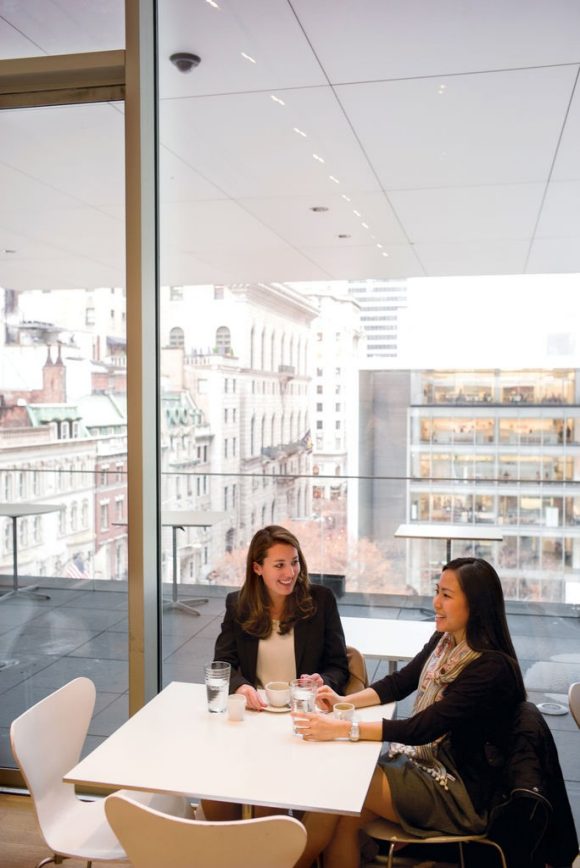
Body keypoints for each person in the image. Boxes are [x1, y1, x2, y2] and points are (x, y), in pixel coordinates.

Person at [292, 557, 526, 868]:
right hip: (425, 763)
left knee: (339, 785)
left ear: (476, 606)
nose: (436, 602)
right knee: (341, 815)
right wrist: (339, 703)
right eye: (437, 591)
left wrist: (342, 729)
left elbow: (420, 729)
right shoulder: (447, 640)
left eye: (447, 595)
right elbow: (400, 682)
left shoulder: (489, 668)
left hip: (458, 792)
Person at [202, 524, 349, 821]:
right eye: (279, 565)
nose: (290, 572)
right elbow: (223, 663)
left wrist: (323, 681)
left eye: (294, 562)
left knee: (270, 806)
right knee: (214, 801)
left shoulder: (321, 601)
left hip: (303, 720)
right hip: (256, 719)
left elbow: (338, 666)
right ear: (257, 568)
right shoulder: (238, 604)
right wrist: (242, 687)